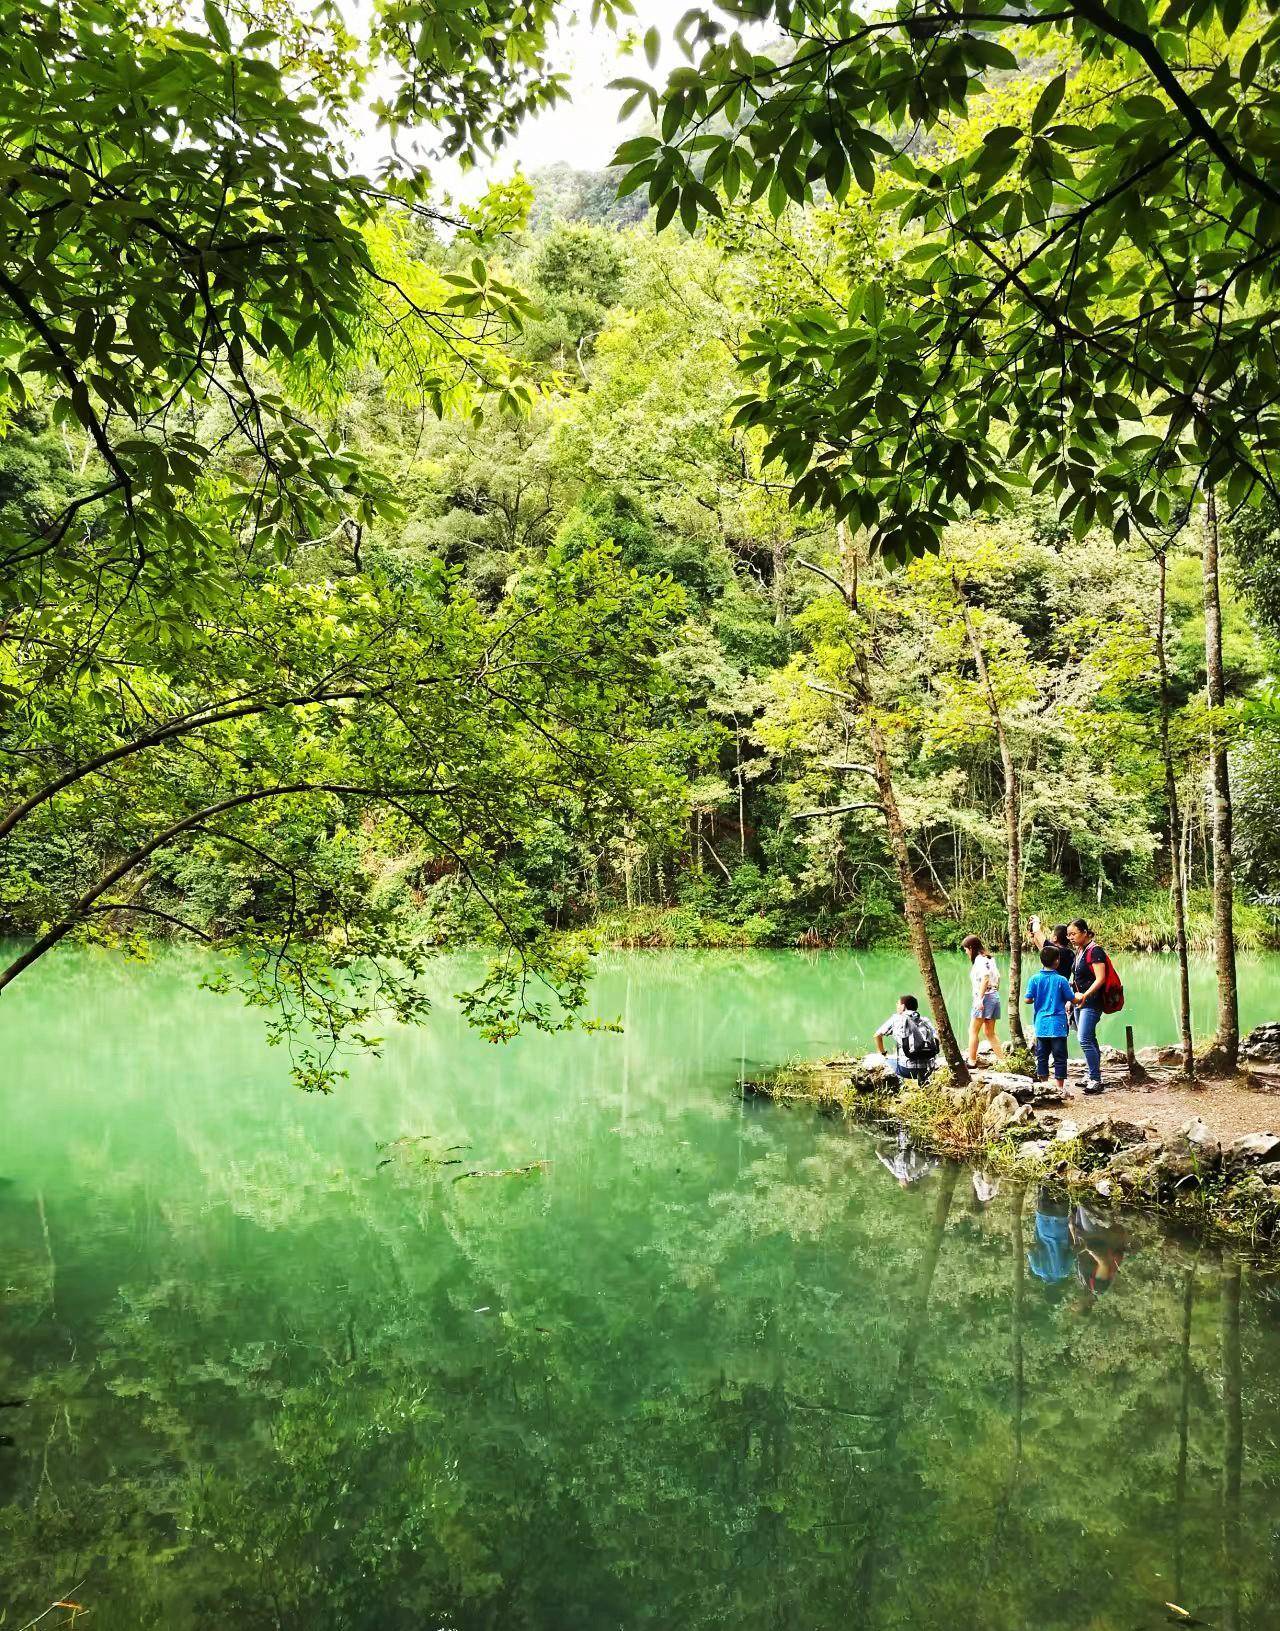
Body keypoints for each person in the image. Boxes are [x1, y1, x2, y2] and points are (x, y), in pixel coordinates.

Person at [1023, 944, 1076, 1096]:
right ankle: (1059, 1088)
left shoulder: (1034, 979)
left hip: (1041, 1024)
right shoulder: (1061, 980)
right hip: (1058, 1025)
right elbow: (1071, 998)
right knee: (1060, 1057)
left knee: (1042, 1056)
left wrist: (1036, 998)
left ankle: (1044, 1085)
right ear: (1057, 961)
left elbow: (1027, 999)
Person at [1068, 917, 1108, 1095]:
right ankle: (1090, 1074)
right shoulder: (1080, 951)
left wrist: (1085, 995)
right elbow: (1076, 978)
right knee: (1089, 1038)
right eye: (1068, 935)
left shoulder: (1095, 950)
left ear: (1084, 933)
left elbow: (1101, 978)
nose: (1070, 937)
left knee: (1084, 1038)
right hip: (1078, 1001)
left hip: (1091, 1002)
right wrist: (1071, 999)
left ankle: (1095, 1079)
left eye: (1074, 934)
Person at [961, 934, 1005, 1069]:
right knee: (989, 1032)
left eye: (966, 950)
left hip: (984, 998)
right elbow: (998, 977)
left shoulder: (980, 961)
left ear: (971, 948)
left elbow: (985, 978)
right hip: (994, 996)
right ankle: (1003, 1061)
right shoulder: (990, 959)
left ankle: (972, 1061)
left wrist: (980, 999)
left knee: (972, 1030)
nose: (966, 953)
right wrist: (995, 990)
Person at [874, 994, 940, 1080]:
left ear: (903, 1006)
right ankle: (923, 1081)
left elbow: (877, 1035)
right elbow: (937, 1039)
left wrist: (883, 1053)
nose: (896, 1005)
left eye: (898, 1003)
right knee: (921, 1063)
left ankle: (899, 1083)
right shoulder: (925, 1020)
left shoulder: (896, 1019)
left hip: (906, 1070)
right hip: (928, 1069)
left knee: (885, 1061)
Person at [1029, 915, 1074, 979]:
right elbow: (1039, 945)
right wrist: (1033, 933)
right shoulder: (1069, 952)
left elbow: (1038, 934)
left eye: (1051, 934)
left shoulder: (1056, 950)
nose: (1050, 935)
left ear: (1055, 938)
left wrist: (1036, 921)